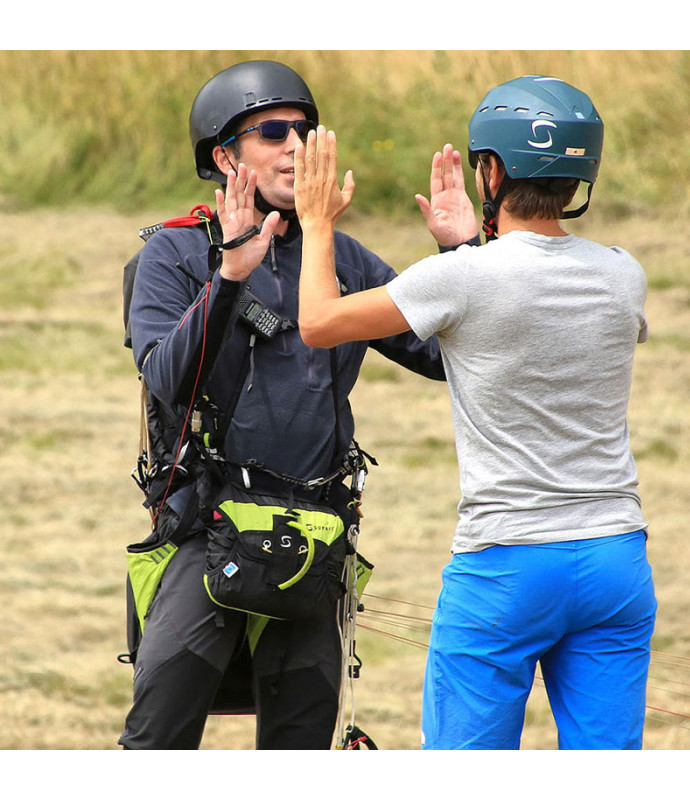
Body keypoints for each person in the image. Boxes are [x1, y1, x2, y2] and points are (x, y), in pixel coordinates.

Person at [289, 75, 657, 750]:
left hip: (506, 567)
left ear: (491, 170)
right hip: (615, 561)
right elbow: (526, 299)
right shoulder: (622, 274)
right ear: (581, 179)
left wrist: (316, 224)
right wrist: (469, 245)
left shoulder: (460, 279)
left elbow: (317, 322)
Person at [119, 59, 477, 750]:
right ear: (225, 157)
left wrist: (465, 257)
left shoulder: (338, 255)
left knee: (300, 753)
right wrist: (228, 277)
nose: (293, 146)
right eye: (271, 132)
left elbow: (444, 359)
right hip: (205, 530)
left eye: (303, 131)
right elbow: (164, 378)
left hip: (313, 537)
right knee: (155, 744)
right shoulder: (174, 253)